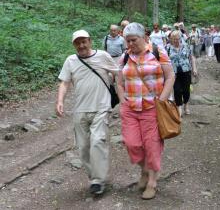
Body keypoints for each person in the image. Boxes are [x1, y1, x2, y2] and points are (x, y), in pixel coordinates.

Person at [56, 30, 119, 195]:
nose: (81, 45)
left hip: (102, 106)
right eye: (78, 42)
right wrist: (60, 101)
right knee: (83, 147)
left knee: (98, 141)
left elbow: (118, 74)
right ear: (74, 45)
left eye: (84, 41)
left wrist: (123, 96)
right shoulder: (70, 61)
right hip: (80, 109)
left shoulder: (103, 56)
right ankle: (94, 177)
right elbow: (64, 83)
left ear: (90, 41)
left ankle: (98, 180)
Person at [117, 22, 175, 200]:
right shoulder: (125, 57)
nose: (130, 44)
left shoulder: (157, 53)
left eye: (133, 40)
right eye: (127, 41)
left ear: (144, 37)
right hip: (131, 108)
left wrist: (162, 100)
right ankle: (143, 169)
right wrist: (122, 101)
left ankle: (152, 181)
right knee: (132, 143)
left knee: (152, 146)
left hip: (152, 107)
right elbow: (119, 82)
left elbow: (170, 76)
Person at [167, 31, 198, 117]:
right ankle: (178, 108)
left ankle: (186, 105)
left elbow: (192, 57)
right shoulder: (168, 48)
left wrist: (194, 68)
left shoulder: (186, 46)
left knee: (186, 90)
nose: (176, 41)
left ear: (180, 38)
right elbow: (165, 61)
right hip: (174, 73)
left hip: (186, 71)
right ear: (171, 39)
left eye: (178, 39)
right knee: (177, 90)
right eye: (174, 39)